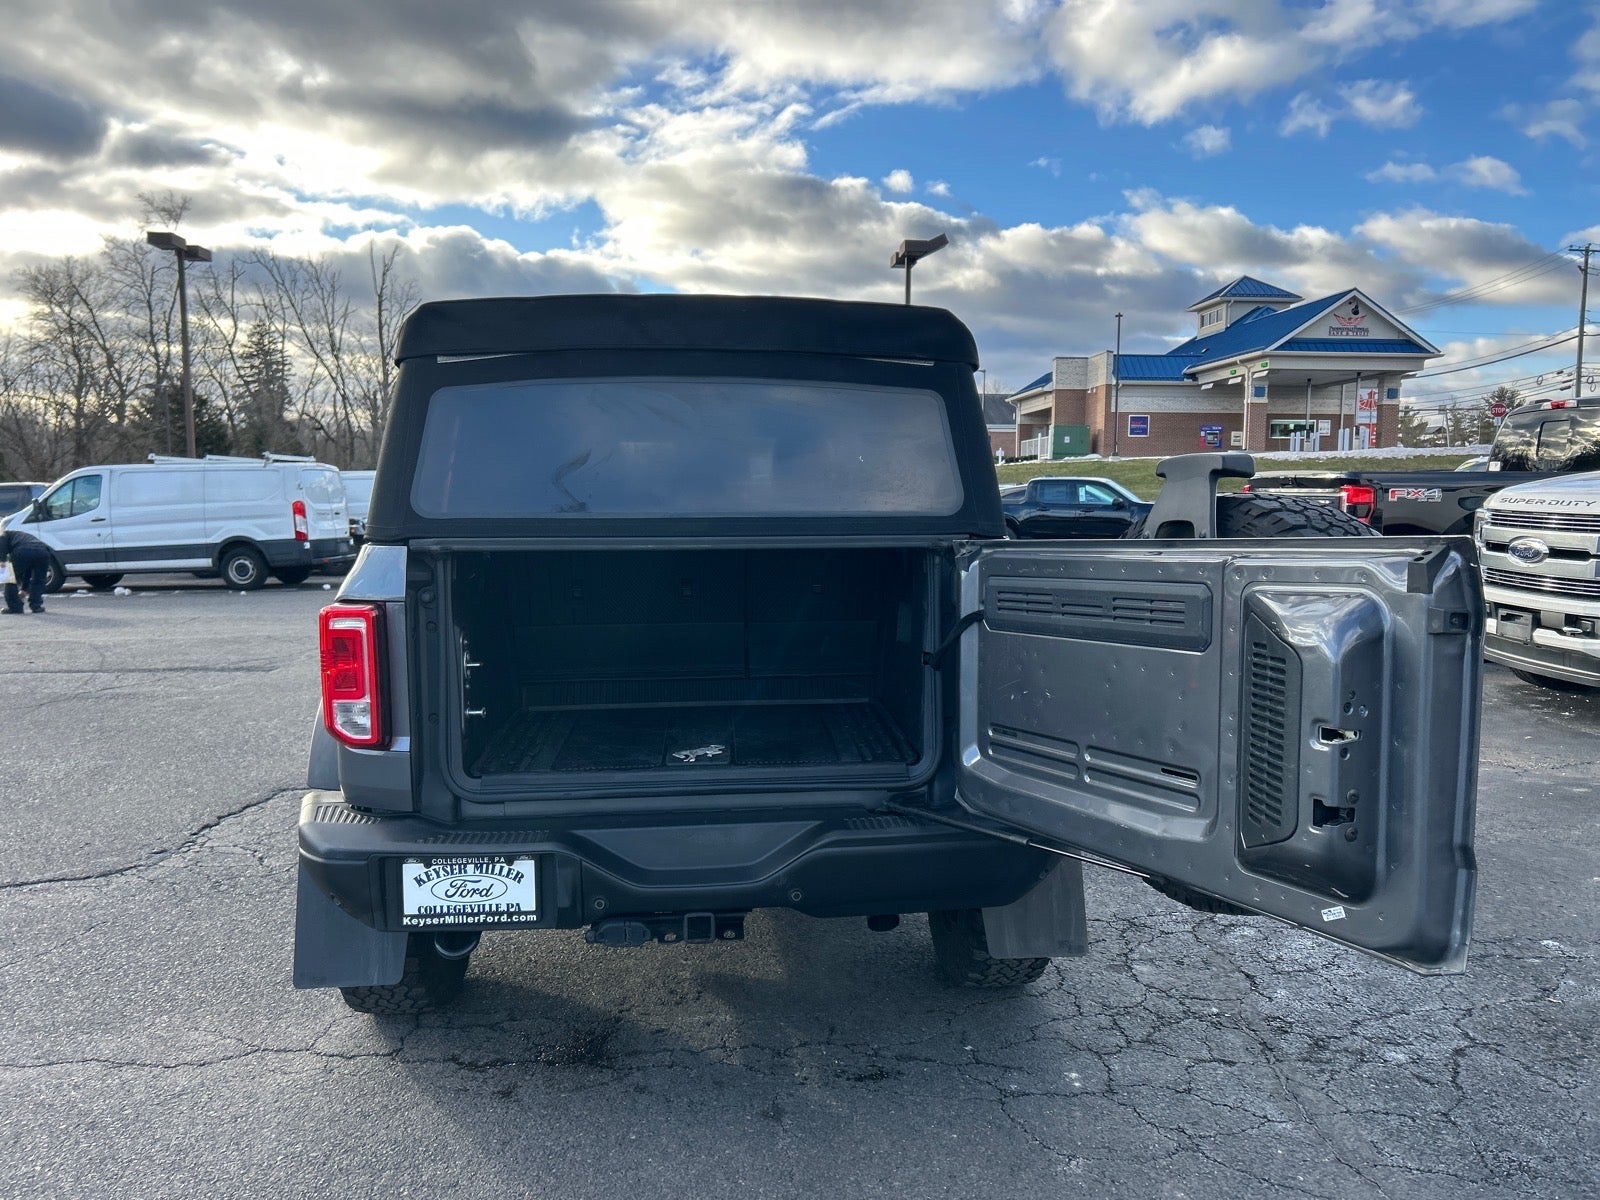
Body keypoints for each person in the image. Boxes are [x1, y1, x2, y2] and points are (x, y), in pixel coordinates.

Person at [0, 527, 51, 614]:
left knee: (11, 579)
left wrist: (2, 560)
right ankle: (36, 606)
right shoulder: (18, 535)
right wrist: (24, 589)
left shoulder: (3, 534)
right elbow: (28, 571)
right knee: (39, 579)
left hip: (22, 550)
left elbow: (2, 544)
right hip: (43, 551)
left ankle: (15, 607)